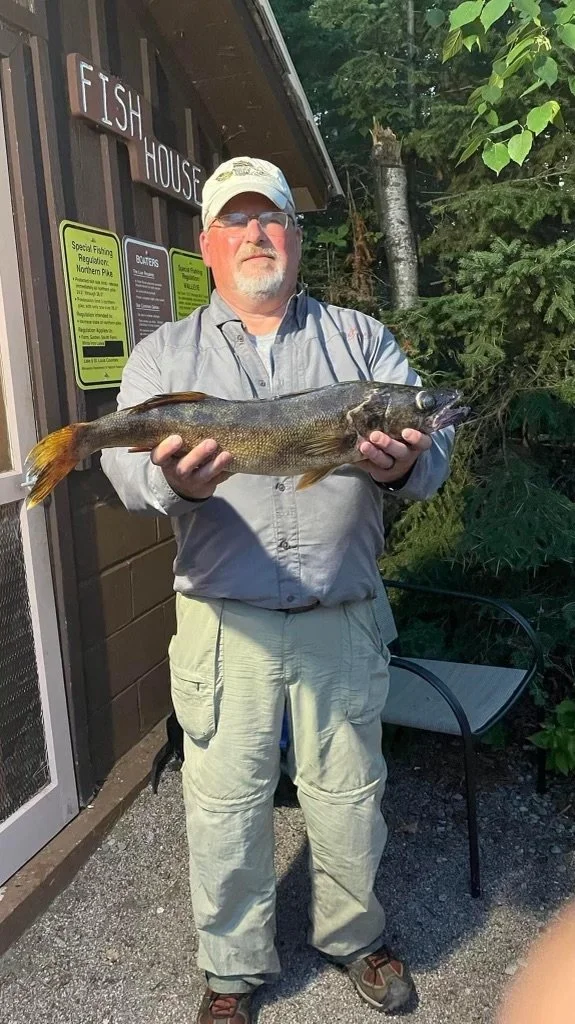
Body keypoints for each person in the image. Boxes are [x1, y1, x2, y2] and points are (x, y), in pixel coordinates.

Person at [101, 156, 455, 1023]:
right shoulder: (164, 354)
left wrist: (410, 460)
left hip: (342, 617)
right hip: (227, 626)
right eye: (238, 221)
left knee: (348, 799)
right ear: (208, 243)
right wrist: (175, 485)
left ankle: (354, 938)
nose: (256, 234)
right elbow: (122, 471)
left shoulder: (362, 344)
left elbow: (430, 462)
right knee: (223, 809)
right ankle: (231, 971)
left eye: (273, 220)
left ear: (296, 237)